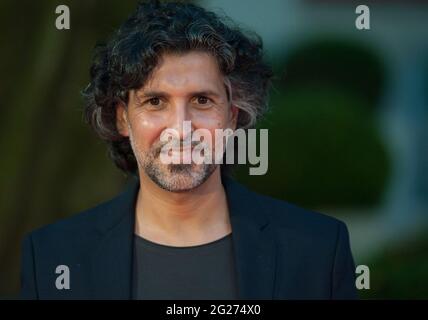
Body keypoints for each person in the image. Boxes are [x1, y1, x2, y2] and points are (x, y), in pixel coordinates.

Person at [20, 1, 357, 300]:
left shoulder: (317, 251)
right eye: (155, 102)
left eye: (201, 100)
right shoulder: (52, 257)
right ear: (123, 118)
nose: (181, 128)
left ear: (231, 115)